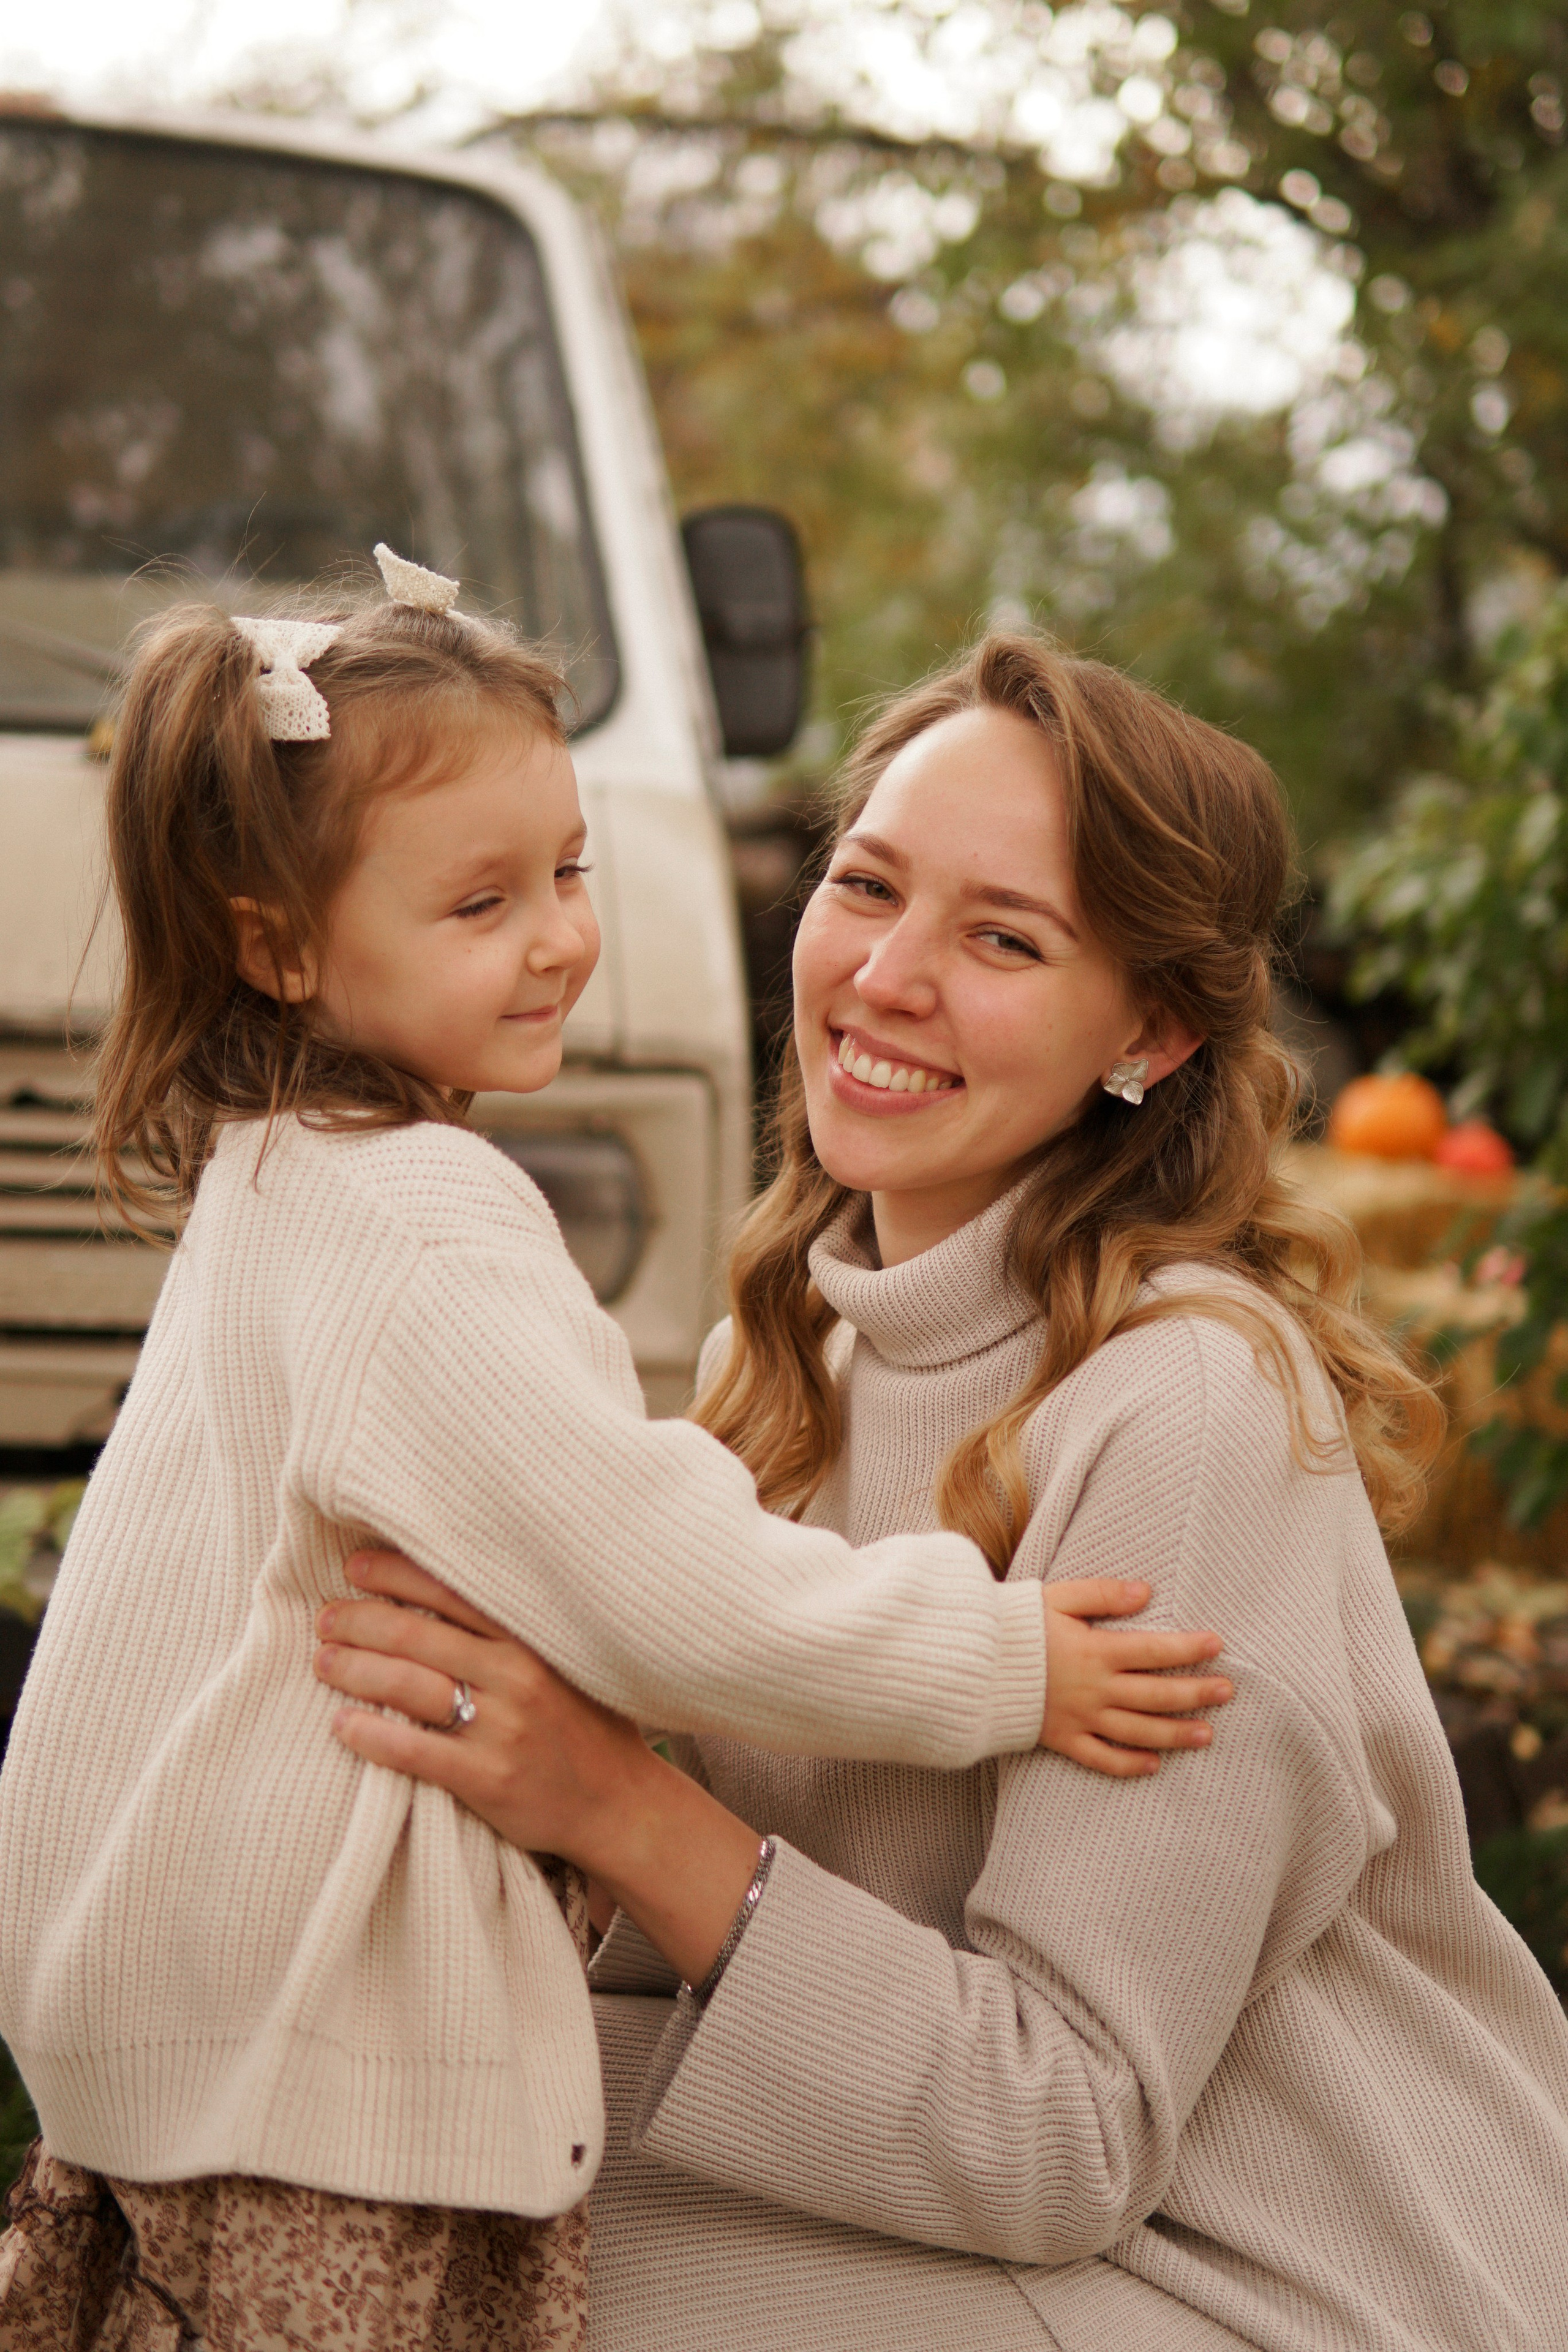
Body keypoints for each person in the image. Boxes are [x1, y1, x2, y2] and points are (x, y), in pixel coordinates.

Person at [0, 568, 1229, 2352]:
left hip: (181, 2069)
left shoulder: (277, 1188)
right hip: (324, 2108)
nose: (564, 938)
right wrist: (1011, 1659)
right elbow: (675, 1591)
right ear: (277, 945)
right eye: (483, 901)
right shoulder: (418, 1221)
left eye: (568, 873)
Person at [315, 633, 1568, 2352]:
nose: (890, 976)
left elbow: (1067, 2129)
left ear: (1151, 1031)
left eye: (1002, 938)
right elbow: (686, 1977)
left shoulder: (1188, 1409)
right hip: (946, 2212)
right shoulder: (788, 1370)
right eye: (869, 887)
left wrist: (617, 1803)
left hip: (1274, 2279)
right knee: (350, 2203)